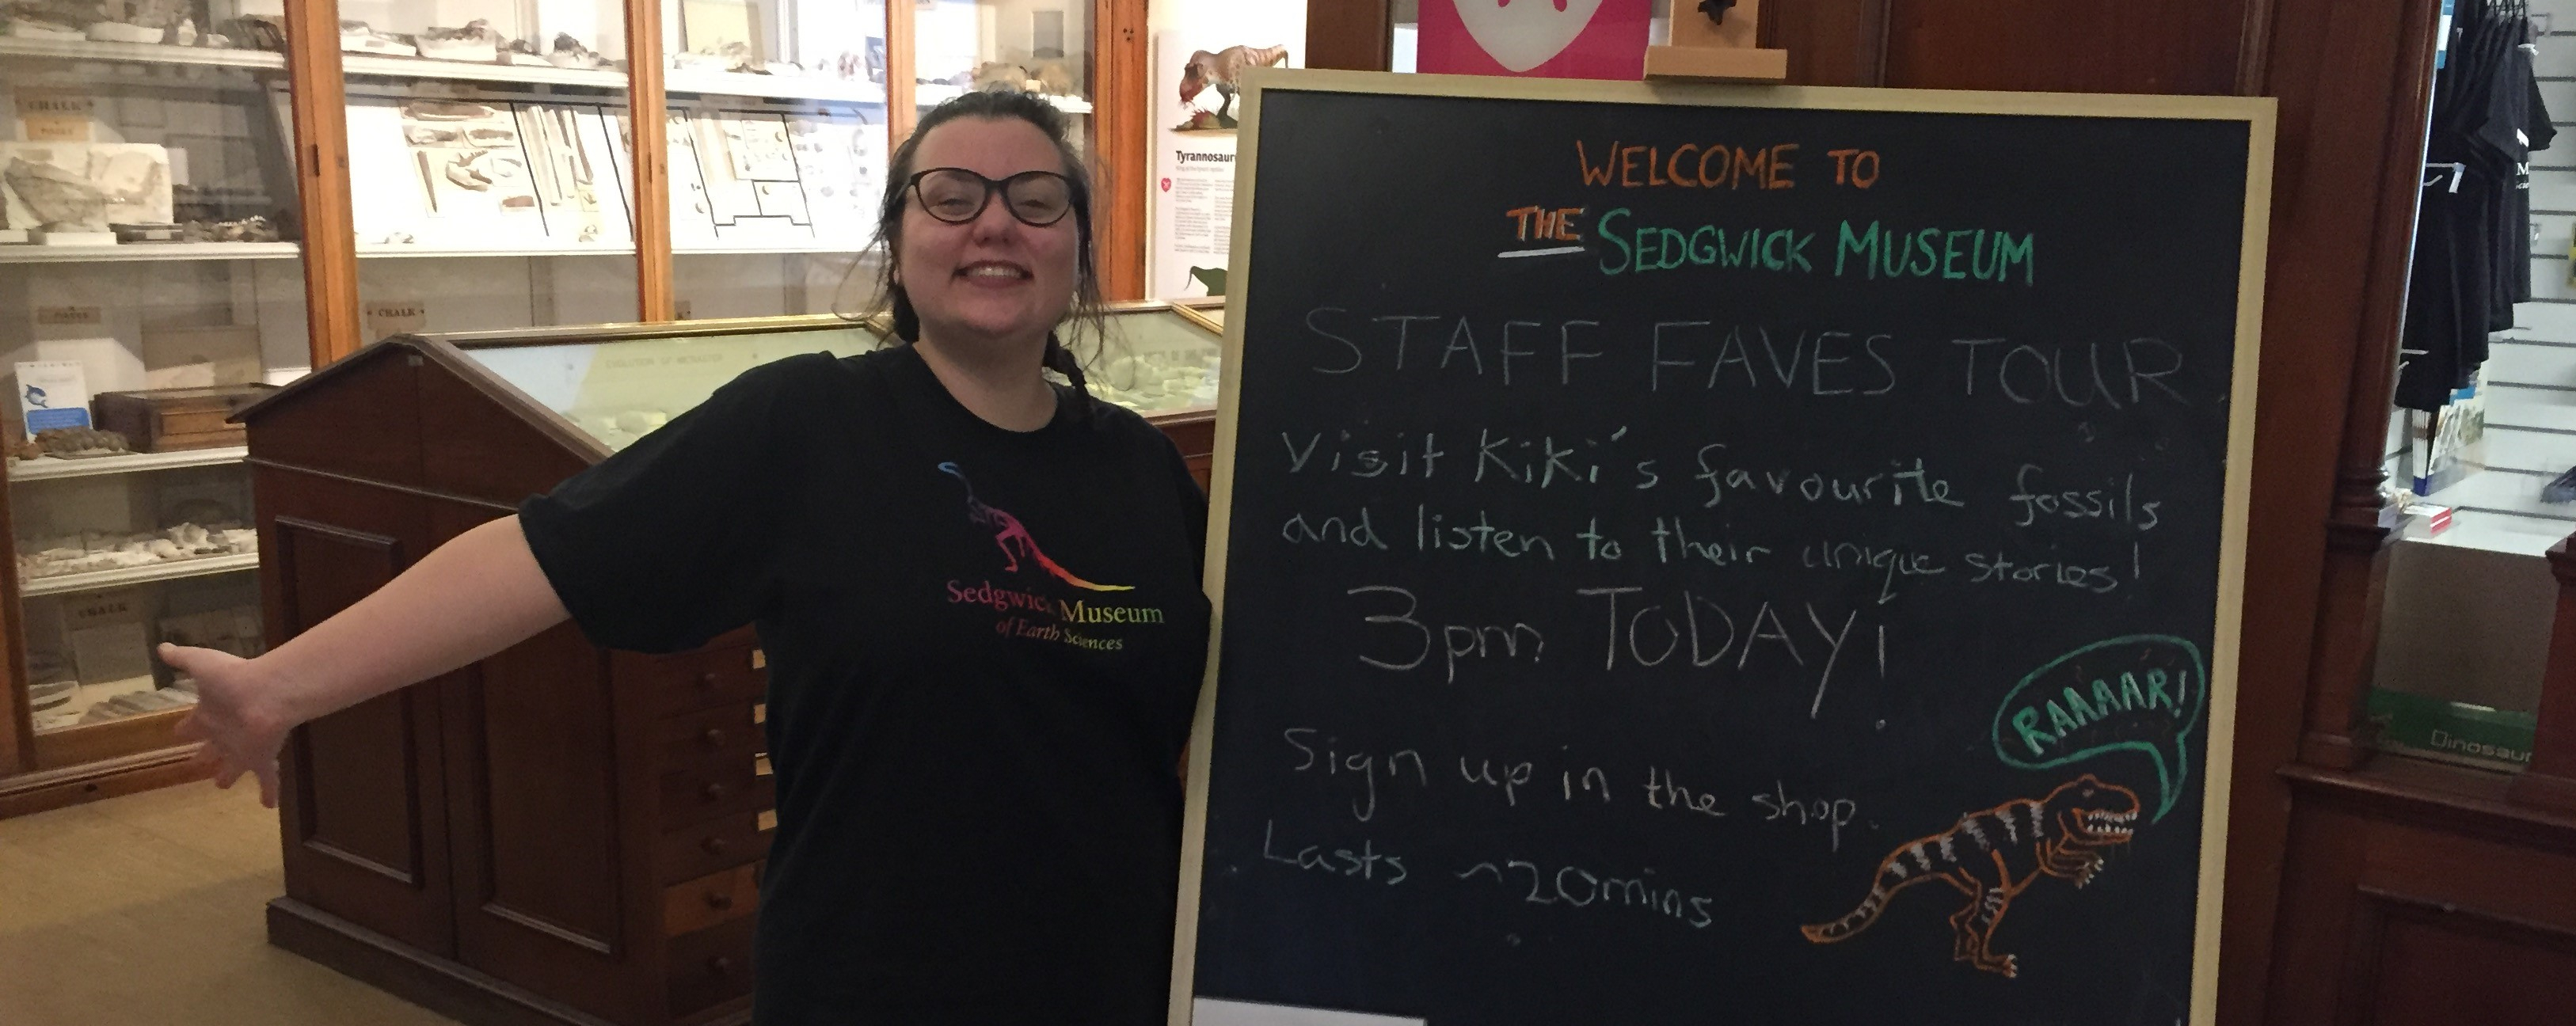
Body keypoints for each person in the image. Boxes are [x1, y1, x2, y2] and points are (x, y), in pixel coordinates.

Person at [161, 89, 1213, 1024]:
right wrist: (279, 687)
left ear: (1077, 243)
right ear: (898, 243)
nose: (993, 221)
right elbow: (537, 556)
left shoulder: (1138, 467)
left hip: (1112, 977)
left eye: (1035, 199)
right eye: (950, 195)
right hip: (877, 983)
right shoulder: (803, 426)